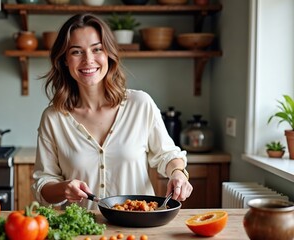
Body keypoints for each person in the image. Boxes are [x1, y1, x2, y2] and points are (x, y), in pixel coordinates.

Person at [32, 13, 193, 210]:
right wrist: (63, 189)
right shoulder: (54, 117)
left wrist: (178, 173)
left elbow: (167, 155)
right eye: (76, 52)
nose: (88, 60)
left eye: (97, 49)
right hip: (84, 232)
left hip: (139, 227)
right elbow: (43, 184)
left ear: (108, 53)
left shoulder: (140, 104)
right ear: (65, 59)